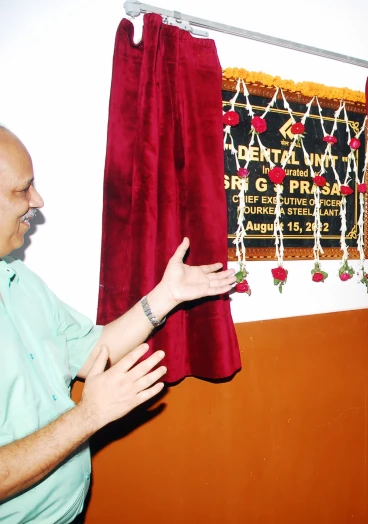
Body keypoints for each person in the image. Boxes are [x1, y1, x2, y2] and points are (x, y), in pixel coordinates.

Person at [0, 126, 237, 523]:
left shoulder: (20, 280)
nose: (38, 200)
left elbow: (96, 349)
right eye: (23, 190)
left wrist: (166, 296)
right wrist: (89, 416)